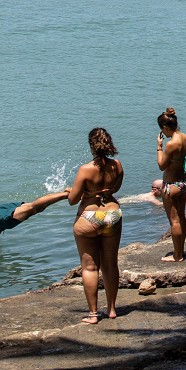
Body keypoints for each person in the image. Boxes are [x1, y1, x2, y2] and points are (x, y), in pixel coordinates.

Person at [68, 127, 123, 324]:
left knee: (90, 267)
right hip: (112, 214)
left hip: (90, 216)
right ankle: (112, 309)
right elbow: (114, 188)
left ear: (92, 145)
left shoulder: (85, 169)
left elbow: (72, 200)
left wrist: (87, 194)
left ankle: (93, 315)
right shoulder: (117, 165)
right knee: (110, 264)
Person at [153, 107, 186, 262]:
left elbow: (161, 165)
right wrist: (185, 177)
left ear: (165, 128)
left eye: (163, 131)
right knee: (182, 217)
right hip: (184, 183)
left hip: (171, 186)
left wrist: (159, 147)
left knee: (174, 221)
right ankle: (180, 251)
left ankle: (177, 256)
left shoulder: (171, 145)